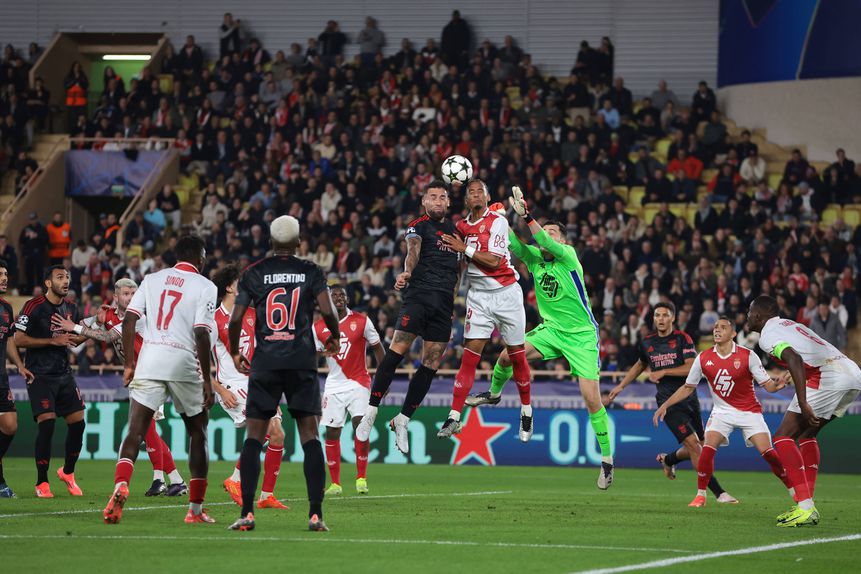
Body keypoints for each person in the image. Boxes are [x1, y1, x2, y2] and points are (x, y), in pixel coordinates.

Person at [467, 187, 615, 489]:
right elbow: (514, 245)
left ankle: (607, 461)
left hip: (582, 336)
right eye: (544, 231)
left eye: (552, 233)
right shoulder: (536, 260)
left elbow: (541, 239)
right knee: (507, 356)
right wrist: (496, 218)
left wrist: (528, 216)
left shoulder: (569, 256)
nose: (546, 236)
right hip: (551, 331)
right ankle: (494, 393)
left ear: (562, 240)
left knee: (590, 399)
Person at [228, 215, 340, 532]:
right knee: (309, 436)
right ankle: (316, 514)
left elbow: (235, 319)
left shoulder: (254, 273)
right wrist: (335, 334)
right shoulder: (311, 271)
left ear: (271, 242)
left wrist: (236, 352)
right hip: (301, 360)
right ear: (299, 242)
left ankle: (247, 513)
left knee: (253, 436)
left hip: (265, 361)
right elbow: (328, 310)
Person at [104, 235, 217, 524]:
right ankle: (195, 510)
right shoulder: (206, 286)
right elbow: (202, 333)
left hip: (150, 359)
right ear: (201, 260)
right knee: (198, 432)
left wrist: (129, 364)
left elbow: (129, 321)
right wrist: (206, 378)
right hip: (182, 360)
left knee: (136, 430)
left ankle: (120, 485)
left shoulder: (152, 280)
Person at [52, 278, 187, 497]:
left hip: (152, 373)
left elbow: (107, 336)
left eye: (133, 294)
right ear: (116, 297)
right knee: (146, 429)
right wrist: (82, 330)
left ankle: (167, 480)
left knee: (144, 427)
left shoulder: (140, 316)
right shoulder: (111, 314)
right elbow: (90, 326)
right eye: (126, 294)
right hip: (139, 375)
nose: (131, 298)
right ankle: (170, 480)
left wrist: (75, 328)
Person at [355, 180, 461, 455]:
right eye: (433, 197)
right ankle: (371, 412)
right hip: (419, 296)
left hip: (443, 304)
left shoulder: (457, 231)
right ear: (425, 201)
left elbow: (458, 271)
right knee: (397, 351)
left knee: (431, 362)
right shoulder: (418, 225)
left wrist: (453, 297)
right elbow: (413, 251)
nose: (438, 201)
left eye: (442, 197)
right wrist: (406, 272)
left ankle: (402, 419)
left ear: (448, 202)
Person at [653, 317, 794, 509]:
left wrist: (777, 385)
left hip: (749, 412)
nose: (717, 330)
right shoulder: (703, 358)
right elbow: (687, 387)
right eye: (715, 327)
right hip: (722, 412)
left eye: (723, 327)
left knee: (768, 453)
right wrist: (665, 405)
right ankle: (700, 495)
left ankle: (793, 490)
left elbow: (768, 386)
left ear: (733, 334)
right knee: (708, 449)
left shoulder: (748, 355)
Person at [747, 295, 861, 527]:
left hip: (829, 378)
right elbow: (809, 354)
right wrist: (797, 373)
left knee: (782, 437)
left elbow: (795, 358)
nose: (747, 316)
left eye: (749, 312)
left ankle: (805, 507)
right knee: (807, 435)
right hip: (851, 373)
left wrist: (803, 401)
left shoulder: (767, 335)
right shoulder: (791, 324)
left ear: (758, 316)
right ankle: (805, 502)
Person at [609, 302, 737, 503]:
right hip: (667, 403)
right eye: (657, 315)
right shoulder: (647, 342)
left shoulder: (682, 339)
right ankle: (719, 493)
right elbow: (640, 365)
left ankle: (668, 460)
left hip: (689, 399)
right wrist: (621, 386)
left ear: (672, 318)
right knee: (695, 447)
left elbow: (691, 368)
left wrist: (665, 371)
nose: (660, 319)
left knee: (701, 448)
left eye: (664, 315)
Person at [437, 181, 532, 441]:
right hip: (478, 297)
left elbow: (494, 261)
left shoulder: (498, 221)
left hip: (506, 294)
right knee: (469, 359)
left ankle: (526, 411)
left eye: (480, 191)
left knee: (516, 356)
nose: (476, 195)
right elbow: (458, 265)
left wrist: (464, 248)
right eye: (471, 192)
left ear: (488, 197)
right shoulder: (461, 227)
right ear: (466, 200)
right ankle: (454, 417)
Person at [212, 265, 288, 510]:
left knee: (278, 434)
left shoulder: (253, 314)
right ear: (229, 287)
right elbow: (195, 361)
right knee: (266, 428)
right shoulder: (213, 320)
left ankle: (266, 496)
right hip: (232, 386)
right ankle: (234, 479)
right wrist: (220, 390)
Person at [14, 266, 87, 498]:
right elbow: (18, 338)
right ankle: (42, 482)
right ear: (48, 283)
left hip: (64, 374)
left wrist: (82, 335)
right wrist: (52, 341)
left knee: (78, 423)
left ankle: (68, 472)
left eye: (67, 277)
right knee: (47, 423)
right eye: (59, 277)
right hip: (40, 375)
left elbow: (80, 334)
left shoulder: (71, 307)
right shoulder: (33, 306)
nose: (65, 281)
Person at [315, 286, 385, 496]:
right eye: (334, 295)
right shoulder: (318, 327)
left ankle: (361, 477)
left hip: (359, 381)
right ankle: (335, 483)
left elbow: (378, 348)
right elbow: (314, 353)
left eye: (341, 295)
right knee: (332, 432)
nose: (338, 298)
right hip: (334, 385)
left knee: (360, 426)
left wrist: (384, 379)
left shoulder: (362, 321)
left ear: (347, 298)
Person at [0, 259, 34, 498]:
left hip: (1, 377)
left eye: (5, 273)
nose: (4, 278)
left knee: (11, 425)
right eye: (0, 274)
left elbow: (9, 340)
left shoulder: (6, 308)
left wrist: (20, 365)